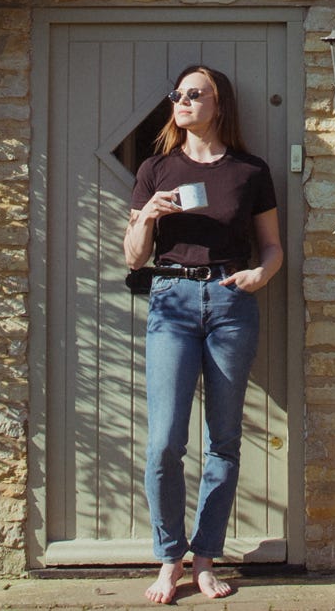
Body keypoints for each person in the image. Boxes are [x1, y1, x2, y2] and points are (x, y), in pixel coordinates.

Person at [124, 63, 282, 604]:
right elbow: (132, 257)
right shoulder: (155, 168)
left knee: (224, 441)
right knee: (165, 442)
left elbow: (272, 246)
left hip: (232, 303)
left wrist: (260, 276)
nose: (183, 101)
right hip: (171, 302)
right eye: (178, 94)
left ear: (219, 105)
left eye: (196, 94)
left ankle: (205, 561)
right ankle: (170, 559)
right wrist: (145, 216)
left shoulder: (249, 171)